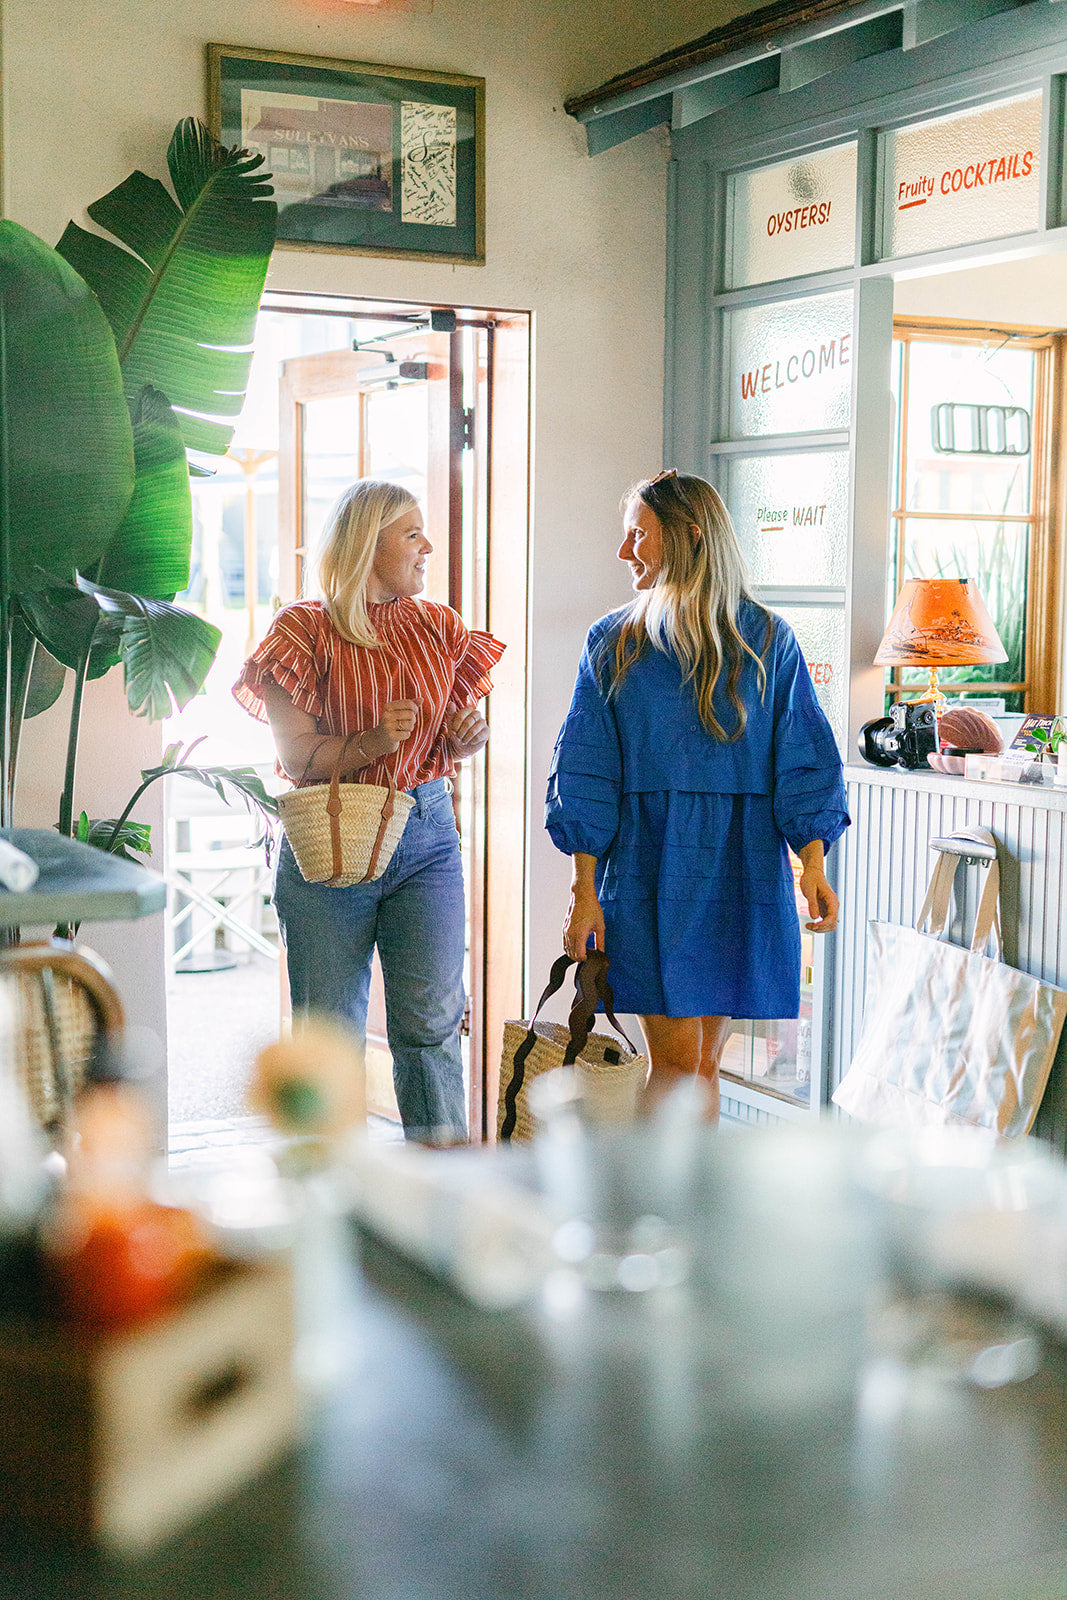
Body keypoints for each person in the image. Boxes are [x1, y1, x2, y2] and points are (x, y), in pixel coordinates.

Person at [546, 469, 848, 1122]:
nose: (624, 552)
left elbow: (804, 759)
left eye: (637, 535)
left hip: (742, 872)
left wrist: (815, 865)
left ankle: (683, 1203)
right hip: (656, 870)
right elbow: (585, 774)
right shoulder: (615, 642)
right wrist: (583, 892)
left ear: (686, 536)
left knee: (701, 1068)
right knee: (679, 1068)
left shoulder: (766, 640)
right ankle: (670, 1206)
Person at [234, 479, 504, 1144]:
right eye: (411, 534)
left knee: (431, 1027)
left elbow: (447, 737)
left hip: (427, 833)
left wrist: (467, 736)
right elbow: (297, 760)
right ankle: (329, 1197)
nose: (427, 546)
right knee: (327, 1036)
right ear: (366, 543)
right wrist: (371, 743)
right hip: (333, 842)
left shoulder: (438, 626)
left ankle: (441, 1197)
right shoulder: (302, 630)